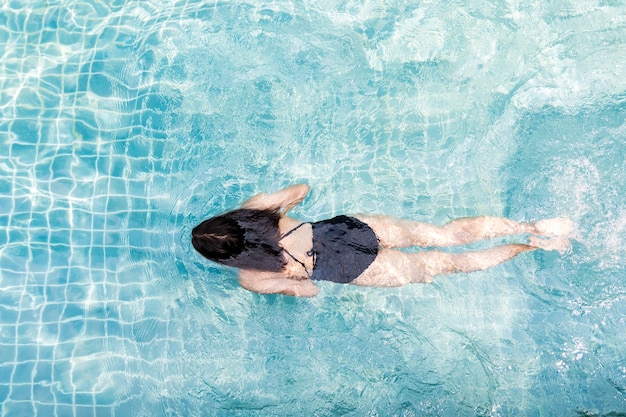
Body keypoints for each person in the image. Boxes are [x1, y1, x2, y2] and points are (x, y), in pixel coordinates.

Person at [191, 184, 572, 297]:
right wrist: (285, 210)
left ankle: (534, 248)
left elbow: (309, 292)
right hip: (348, 230)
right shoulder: (256, 208)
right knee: (443, 235)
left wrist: (293, 275)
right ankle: (534, 225)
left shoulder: (250, 278)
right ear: (230, 221)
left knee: (449, 264)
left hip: (348, 267)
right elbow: (302, 188)